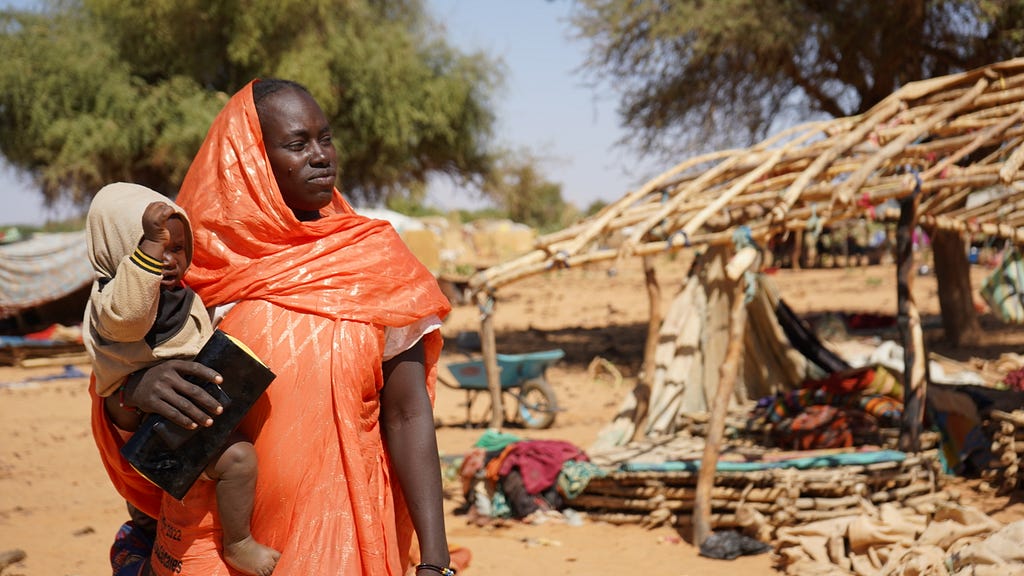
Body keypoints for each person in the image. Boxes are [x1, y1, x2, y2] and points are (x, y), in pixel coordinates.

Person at [90, 78, 457, 575]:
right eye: (297, 144)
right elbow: (118, 384)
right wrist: (135, 388)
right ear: (252, 160)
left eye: (325, 139)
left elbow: (408, 415)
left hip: (339, 537)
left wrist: (436, 562)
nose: (321, 156)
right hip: (216, 540)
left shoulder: (377, 266)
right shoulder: (199, 265)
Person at [83, 182, 280, 576]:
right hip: (155, 435)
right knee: (237, 460)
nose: (169, 259)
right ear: (117, 249)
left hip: (183, 421)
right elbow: (131, 316)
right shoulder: (114, 303)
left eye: (177, 247)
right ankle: (238, 543)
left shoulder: (184, 293)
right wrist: (147, 259)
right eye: (152, 246)